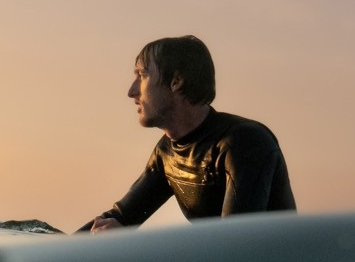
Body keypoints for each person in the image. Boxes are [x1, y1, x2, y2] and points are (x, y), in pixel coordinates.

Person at [78, 35, 295, 234]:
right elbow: (119, 219)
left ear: (176, 81)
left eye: (142, 75)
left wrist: (127, 240)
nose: (132, 91)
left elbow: (235, 241)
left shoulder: (244, 143)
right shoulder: (167, 151)